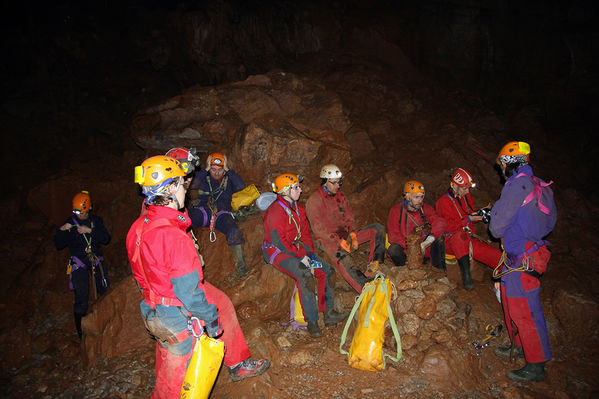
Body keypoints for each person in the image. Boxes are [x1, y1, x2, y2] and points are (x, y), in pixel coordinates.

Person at [126, 155, 269, 398]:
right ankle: (234, 366)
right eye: (182, 184)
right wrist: (210, 319)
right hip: (175, 312)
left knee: (168, 369)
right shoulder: (173, 236)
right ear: (170, 188)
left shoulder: (138, 226)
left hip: (151, 306)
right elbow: (188, 292)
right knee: (176, 383)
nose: (187, 188)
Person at [489, 141, 557, 382]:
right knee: (512, 304)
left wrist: (494, 217)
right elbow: (550, 223)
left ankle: (537, 364)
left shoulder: (517, 185)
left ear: (508, 162)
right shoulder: (539, 185)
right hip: (524, 254)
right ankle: (519, 346)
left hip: (521, 258)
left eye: (502, 165)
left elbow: (497, 228)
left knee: (524, 310)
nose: (501, 169)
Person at [262, 173, 348, 338]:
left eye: (298, 187)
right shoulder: (275, 211)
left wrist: (309, 254)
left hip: (296, 250)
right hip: (278, 252)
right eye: (296, 187)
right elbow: (278, 241)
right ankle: (312, 321)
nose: (300, 190)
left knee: (327, 270)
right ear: (285, 191)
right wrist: (301, 257)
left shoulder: (298, 209)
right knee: (305, 274)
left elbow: (306, 235)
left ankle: (329, 313)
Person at [305, 164, 385, 293]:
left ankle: (373, 264)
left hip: (346, 235)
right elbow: (318, 229)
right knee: (343, 257)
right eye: (334, 183)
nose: (338, 186)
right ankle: (365, 287)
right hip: (328, 240)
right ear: (325, 182)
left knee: (377, 228)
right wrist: (339, 241)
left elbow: (349, 217)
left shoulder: (340, 196)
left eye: (339, 183)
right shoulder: (314, 200)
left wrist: (352, 234)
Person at [54, 190, 110, 339]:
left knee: (104, 291)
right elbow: (58, 245)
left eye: (80, 212)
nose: (78, 214)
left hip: (95, 260)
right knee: (81, 297)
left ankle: (107, 324)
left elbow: (105, 238)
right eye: (75, 211)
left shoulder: (95, 222)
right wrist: (61, 231)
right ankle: (81, 334)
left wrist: (90, 231)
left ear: (88, 209)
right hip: (79, 263)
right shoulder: (70, 224)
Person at [435, 168, 503, 290]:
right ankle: (466, 276)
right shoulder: (443, 202)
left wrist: (481, 214)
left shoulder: (465, 197)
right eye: (464, 188)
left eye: (468, 188)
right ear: (453, 185)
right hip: (451, 241)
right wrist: (468, 220)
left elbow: (469, 213)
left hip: (469, 239)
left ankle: (517, 281)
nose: (467, 192)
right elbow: (446, 226)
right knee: (460, 238)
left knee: (499, 258)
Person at [188, 152, 248, 276]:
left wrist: (228, 170)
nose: (216, 173)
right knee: (185, 221)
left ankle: (241, 269)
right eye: (213, 169)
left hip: (222, 214)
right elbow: (193, 184)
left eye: (220, 170)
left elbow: (241, 186)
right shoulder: (204, 177)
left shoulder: (229, 179)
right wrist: (205, 169)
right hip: (203, 211)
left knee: (234, 231)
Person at [387, 180, 446, 269]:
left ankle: (440, 272)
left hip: (424, 248)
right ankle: (407, 271)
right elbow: (393, 236)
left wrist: (429, 240)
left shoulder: (425, 208)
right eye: (416, 197)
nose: (420, 201)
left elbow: (439, 222)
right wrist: (413, 247)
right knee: (393, 249)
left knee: (439, 239)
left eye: (422, 197)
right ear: (407, 197)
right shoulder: (396, 211)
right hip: (407, 250)